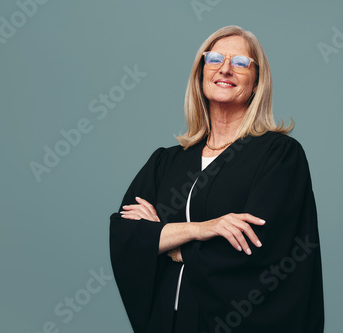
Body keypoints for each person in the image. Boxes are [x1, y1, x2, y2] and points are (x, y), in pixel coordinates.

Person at [110, 25, 324, 333]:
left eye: (240, 63)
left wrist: (165, 240)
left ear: (256, 83)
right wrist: (202, 229)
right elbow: (126, 235)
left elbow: (260, 247)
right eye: (214, 59)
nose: (225, 69)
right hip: (166, 322)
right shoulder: (167, 161)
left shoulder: (278, 155)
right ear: (200, 74)